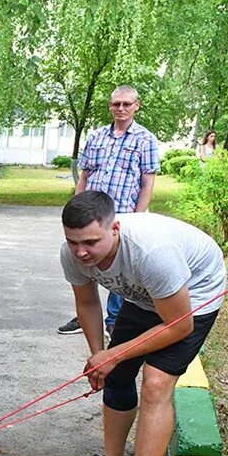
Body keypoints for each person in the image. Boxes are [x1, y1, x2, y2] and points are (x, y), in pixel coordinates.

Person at [58, 191, 225, 456]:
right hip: (148, 296)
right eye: (73, 242)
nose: (81, 252)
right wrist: (98, 355)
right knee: (116, 374)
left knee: (156, 384)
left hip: (193, 296)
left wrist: (114, 352)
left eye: (90, 242)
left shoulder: (152, 253)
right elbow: (88, 304)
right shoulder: (73, 254)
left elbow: (179, 325)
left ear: (114, 228)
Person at [59, 85, 161, 336]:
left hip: (123, 215)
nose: (121, 108)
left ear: (137, 106)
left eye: (127, 104)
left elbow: (147, 182)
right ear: (110, 106)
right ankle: (85, 315)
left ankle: (114, 321)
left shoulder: (145, 139)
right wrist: (75, 207)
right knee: (87, 260)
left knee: (119, 267)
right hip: (90, 212)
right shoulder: (97, 137)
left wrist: (138, 217)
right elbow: (85, 176)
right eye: (116, 104)